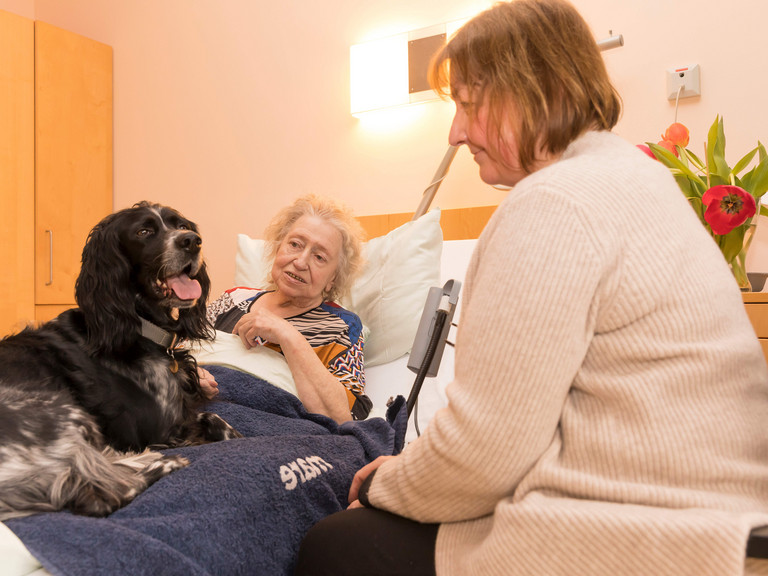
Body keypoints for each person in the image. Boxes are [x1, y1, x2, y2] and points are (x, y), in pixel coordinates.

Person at [295, 1, 768, 575]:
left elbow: (487, 452)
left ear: (531, 91)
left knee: (335, 543)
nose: (457, 131)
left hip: (650, 529)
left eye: (468, 105)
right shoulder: (638, 177)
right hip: (729, 513)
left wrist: (388, 479)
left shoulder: (551, 204)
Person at [204, 194, 371, 423]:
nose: (301, 262)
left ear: (333, 278)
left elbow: (344, 419)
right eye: (295, 244)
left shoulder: (343, 326)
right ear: (278, 247)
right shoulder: (233, 299)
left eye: (319, 257)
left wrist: (287, 335)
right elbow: (178, 351)